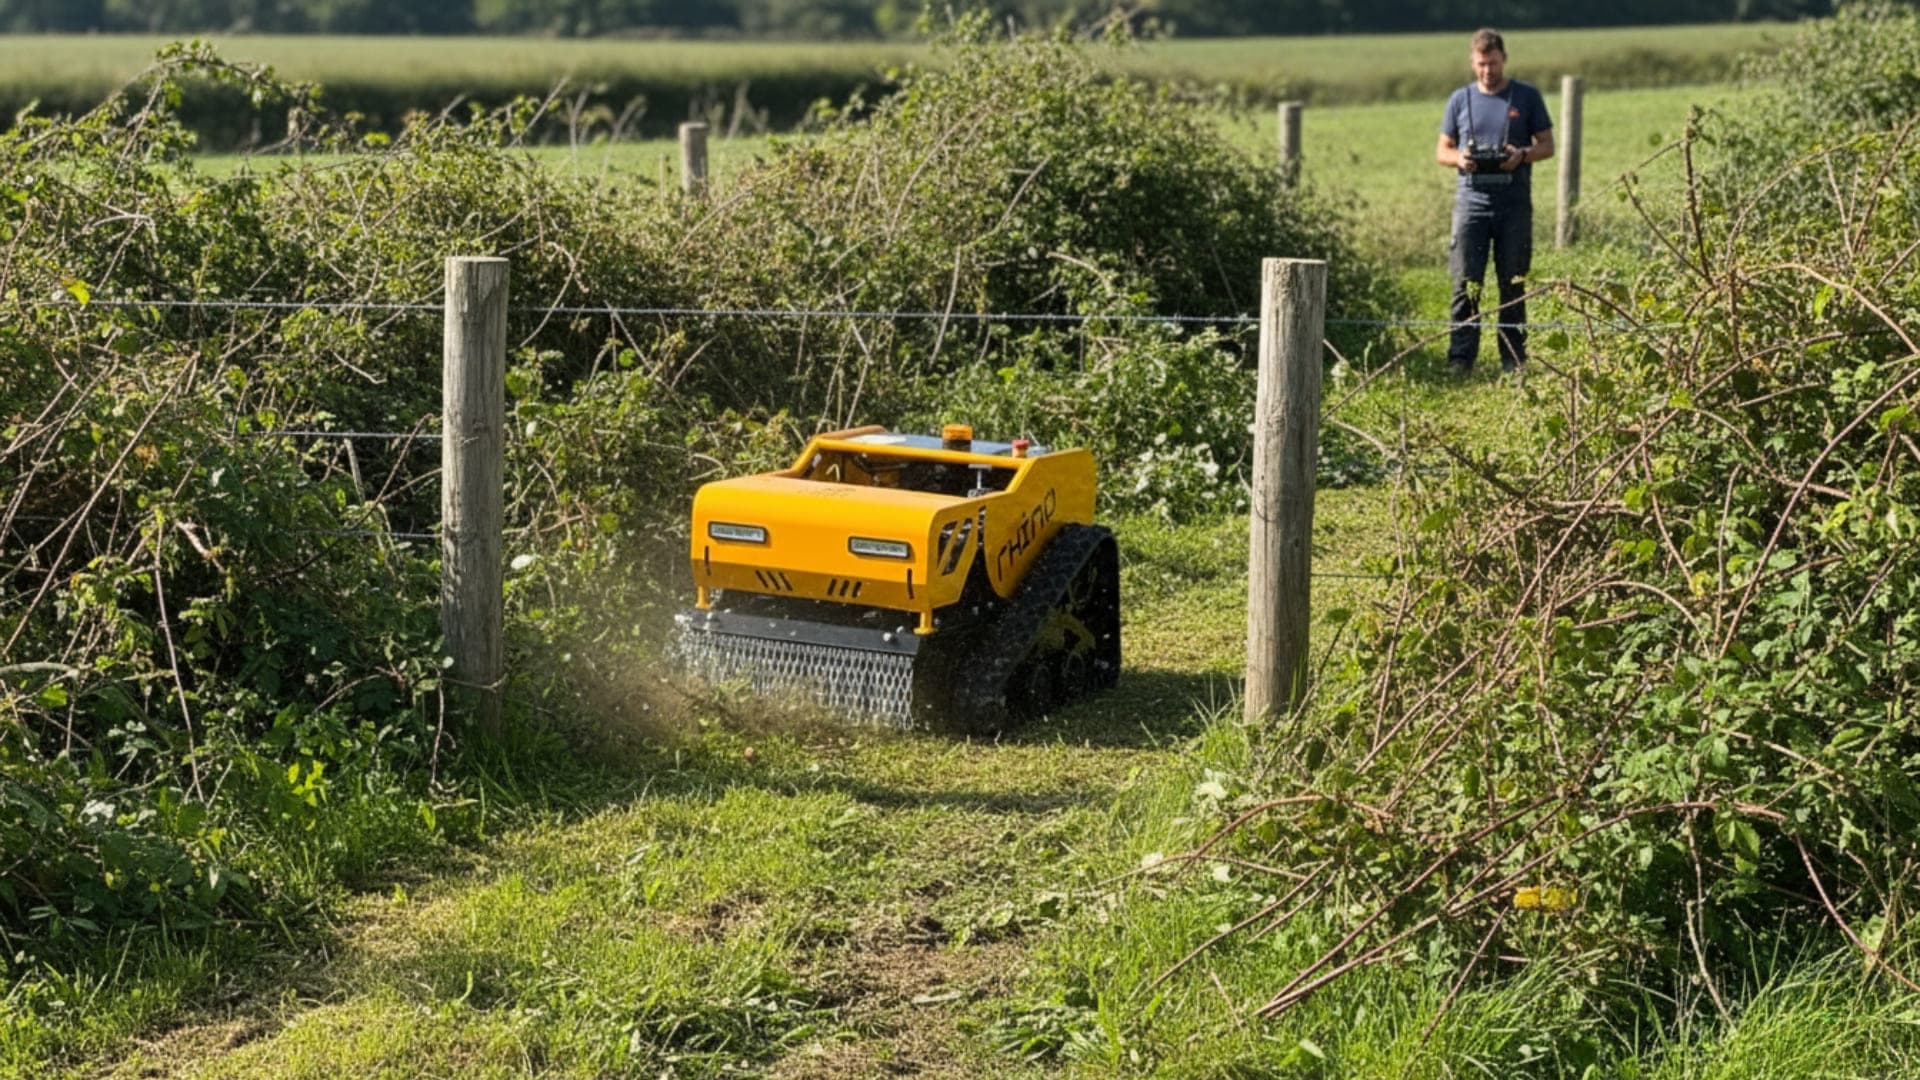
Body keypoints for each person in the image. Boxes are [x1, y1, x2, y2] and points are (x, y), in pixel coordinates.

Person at [1436, 28, 1553, 375]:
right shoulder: (1459, 100)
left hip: (1514, 205)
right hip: (1471, 204)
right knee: (1465, 284)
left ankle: (1513, 360)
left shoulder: (1526, 96)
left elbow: (1548, 145)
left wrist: (1522, 154)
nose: (1488, 71)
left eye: (1494, 63)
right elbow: (1441, 150)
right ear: (1473, 63)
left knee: (1513, 283)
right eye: (1482, 64)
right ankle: (1460, 358)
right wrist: (1460, 159)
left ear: (1505, 59)